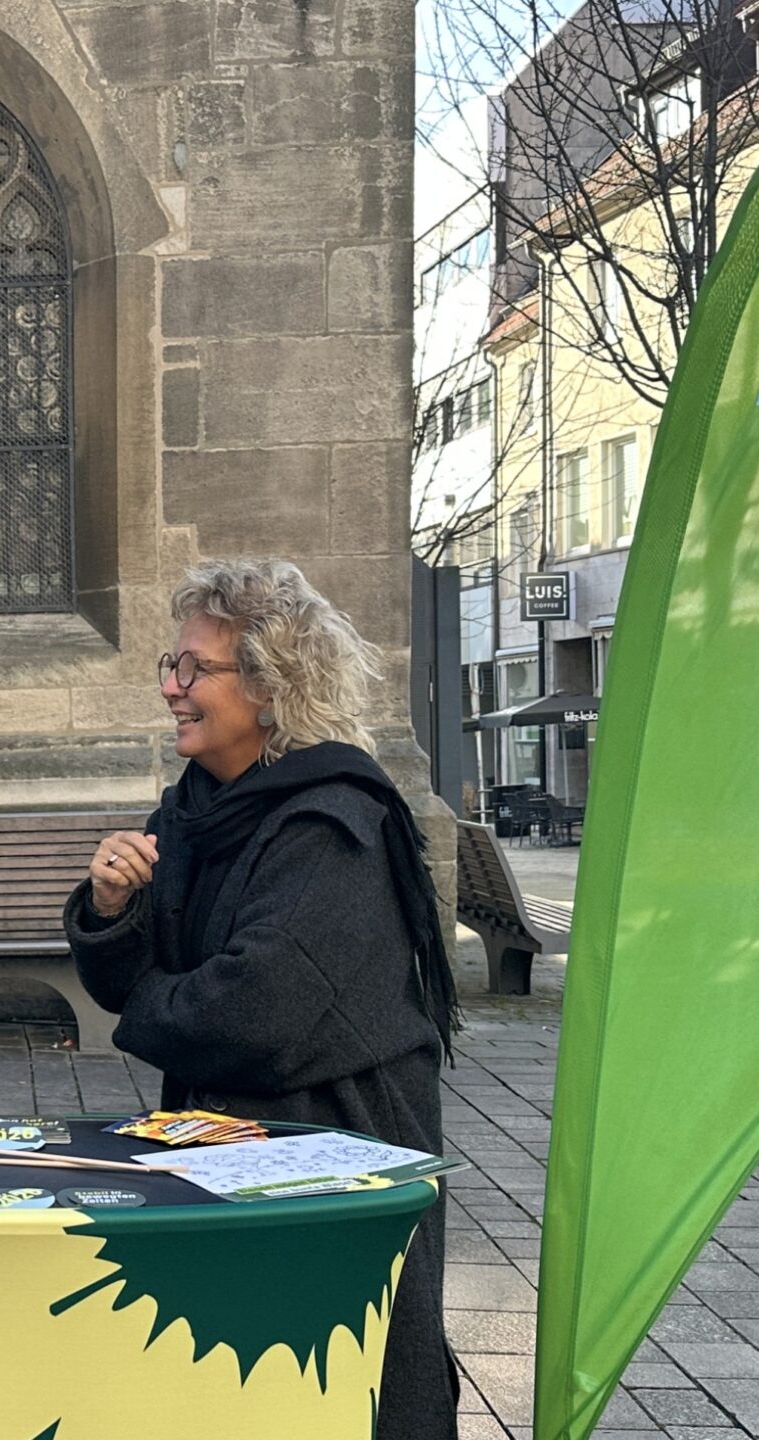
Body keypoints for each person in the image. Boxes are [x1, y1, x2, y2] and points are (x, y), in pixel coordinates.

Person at [64, 557, 461, 1439]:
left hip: (335, 1152)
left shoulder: (332, 823)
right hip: (226, 1143)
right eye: (171, 666)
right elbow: (127, 981)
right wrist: (109, 907)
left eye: (193, 669)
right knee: (228, 1385)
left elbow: (252, 1013)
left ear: (273, 685)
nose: (172, 688)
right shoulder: (193, 812)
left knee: (337, 1385)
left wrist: (151, 1000)